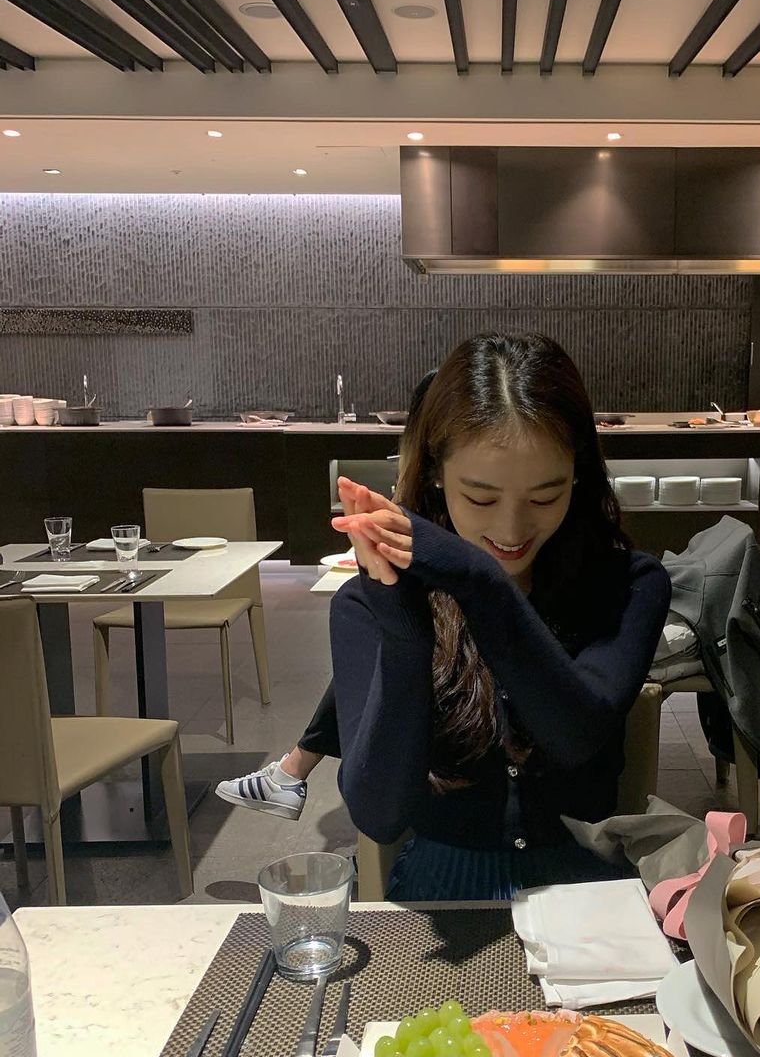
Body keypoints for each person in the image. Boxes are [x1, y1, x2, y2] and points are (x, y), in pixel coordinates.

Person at [327, 331, 672, 900]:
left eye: (545, 496)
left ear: (579, 472)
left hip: (586, 891)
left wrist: (480, 581)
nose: (512, 530)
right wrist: (406, 636)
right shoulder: (364, 607)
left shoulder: (629, 585)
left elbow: (575, 735)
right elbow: (379, 814)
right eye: (481, 498)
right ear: (436, 470)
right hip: (443, 888)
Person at [214, 371, 437, 820]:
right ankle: (292, 772)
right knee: (369, 627)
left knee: (373, 630)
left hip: (439, 630)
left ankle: (291, 773)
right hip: (422, 617)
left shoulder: (443, 483)